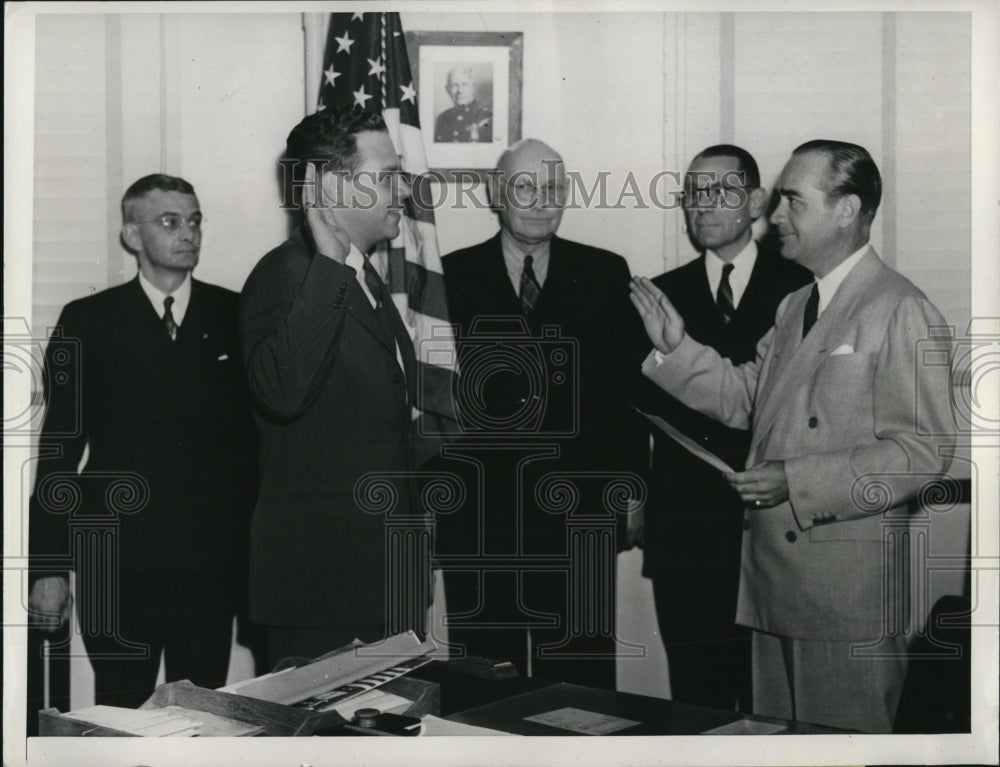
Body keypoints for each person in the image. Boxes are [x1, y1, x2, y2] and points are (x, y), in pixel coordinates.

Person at [630, 140, 955, 732]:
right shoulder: (795, 306)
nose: (775, 217)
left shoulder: (900, 307)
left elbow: (923, 451)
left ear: (847, 208)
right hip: (774, 587)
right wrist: (677, 348)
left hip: (844, 600)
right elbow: (748, 400)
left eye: (793, 202)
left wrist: (795, 480)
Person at [28, 174, 258, 708]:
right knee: (119, 711)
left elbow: (256, 451)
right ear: (132, 236)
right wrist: (48, 567)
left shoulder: (236, 314)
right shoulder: (88, 322)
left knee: (204, 714)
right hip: (119, 563)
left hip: (209, 565)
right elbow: (59, 450)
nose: (189, 234)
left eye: (195, 220)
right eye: (170, 221)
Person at [438, 138, 648, 689]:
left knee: (581, 686)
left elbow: (628, 397)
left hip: (579, 515)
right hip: (481, 520)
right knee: (486, 682)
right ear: (494, 192)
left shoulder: (606, 272)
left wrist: (630, 492)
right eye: (524, 186)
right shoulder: (444, 277)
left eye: (553, 187)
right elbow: (431, 406)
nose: (539, 201)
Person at [240, 107, 428, 667]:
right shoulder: (286, 276)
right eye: (388, 176)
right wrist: (327, 263)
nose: (404, 191)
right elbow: (282, 392)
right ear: (329, 187)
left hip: (385, 583)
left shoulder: (363, 274)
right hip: (323, 594)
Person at [634, 145, 811, 712]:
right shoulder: (657, 296)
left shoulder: (805, 287)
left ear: (757, 201)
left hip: (777, 526)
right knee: (696, 698)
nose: (703, 205)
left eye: (721, 191)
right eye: (693, 193)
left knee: (773, 701)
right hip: (685, 529)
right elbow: (634, 410)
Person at [433, 66, 492, 143]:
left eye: (464, 84)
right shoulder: (443, 119)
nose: (460, 91)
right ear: (447, 89)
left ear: (473, 87)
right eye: (454, 85)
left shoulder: (487, 117)